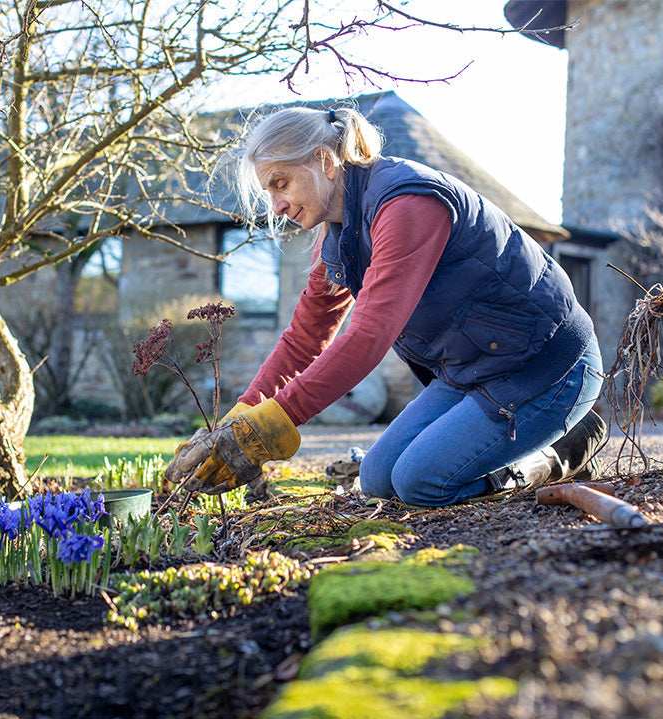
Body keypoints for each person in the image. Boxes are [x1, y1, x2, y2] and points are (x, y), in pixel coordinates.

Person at [164, 105, 606, 506]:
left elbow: (369, 336)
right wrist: (240, 418)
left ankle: (556, 453)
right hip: (475, 370)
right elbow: (305, 337)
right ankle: (532, 441)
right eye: (269, 191)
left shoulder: (406, 203)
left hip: (546, 367)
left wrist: (273, 426)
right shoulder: (338, 233)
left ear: (323, 159)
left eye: (282, 183)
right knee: (377, 480)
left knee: (420, 483)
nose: (277, 205)